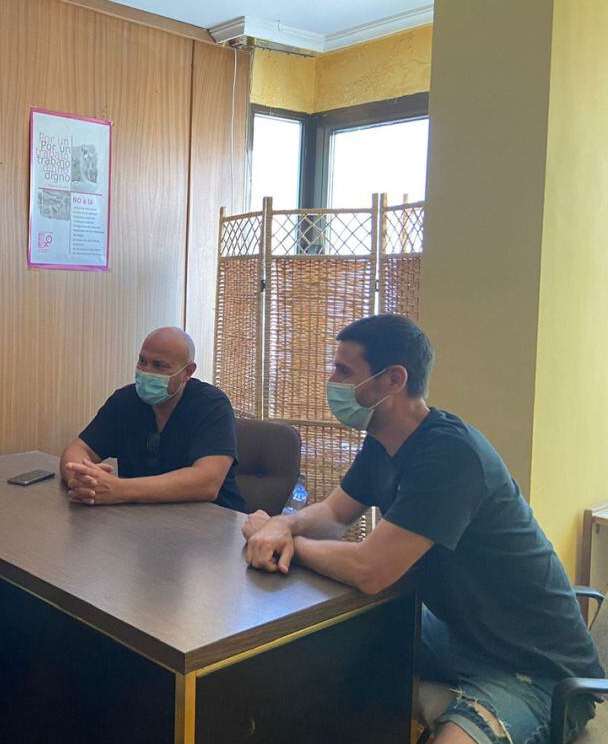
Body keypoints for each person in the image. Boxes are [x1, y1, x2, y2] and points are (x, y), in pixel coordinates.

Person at [242, 314, 602, 744]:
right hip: (459, 633)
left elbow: (370, 570)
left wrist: (290, 544)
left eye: (344, 370)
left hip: (535, 668)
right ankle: (444, 702)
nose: (331, 380)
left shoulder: (450, 454)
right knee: (320, 653)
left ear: (393, 379)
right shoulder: (382, 442)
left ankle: (452, 708)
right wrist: (281, 524)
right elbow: (334, 516)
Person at [60, 327, 243, 510]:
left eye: (158, 365)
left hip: (212, 523)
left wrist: (119, 490)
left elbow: (207, 483)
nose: (146, 371)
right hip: (141, 521)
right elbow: (77, 450)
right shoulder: (125, 401)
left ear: (187, 372)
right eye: (142, 361)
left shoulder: (212, 405)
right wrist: (84, 482)